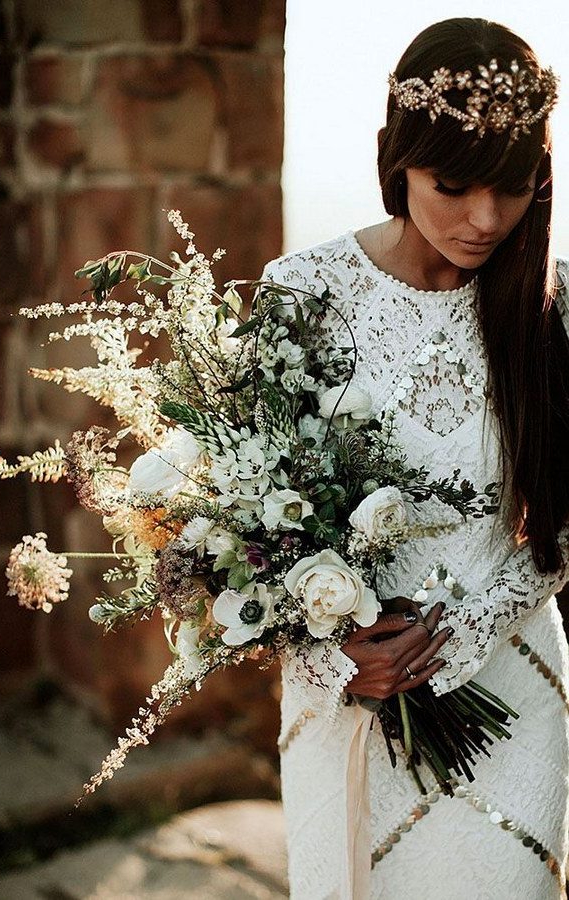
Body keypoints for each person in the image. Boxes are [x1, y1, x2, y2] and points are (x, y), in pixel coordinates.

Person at [261, 17, 569, 900]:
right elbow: (250, 520)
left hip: (514, 690)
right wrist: (335, 653)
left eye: (512, 189)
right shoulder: (303, 293)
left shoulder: (552, 306)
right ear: (396, 156)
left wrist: (456, 635)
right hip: (345, 695)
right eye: (453, 184)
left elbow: (563, 520)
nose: (483, 219)